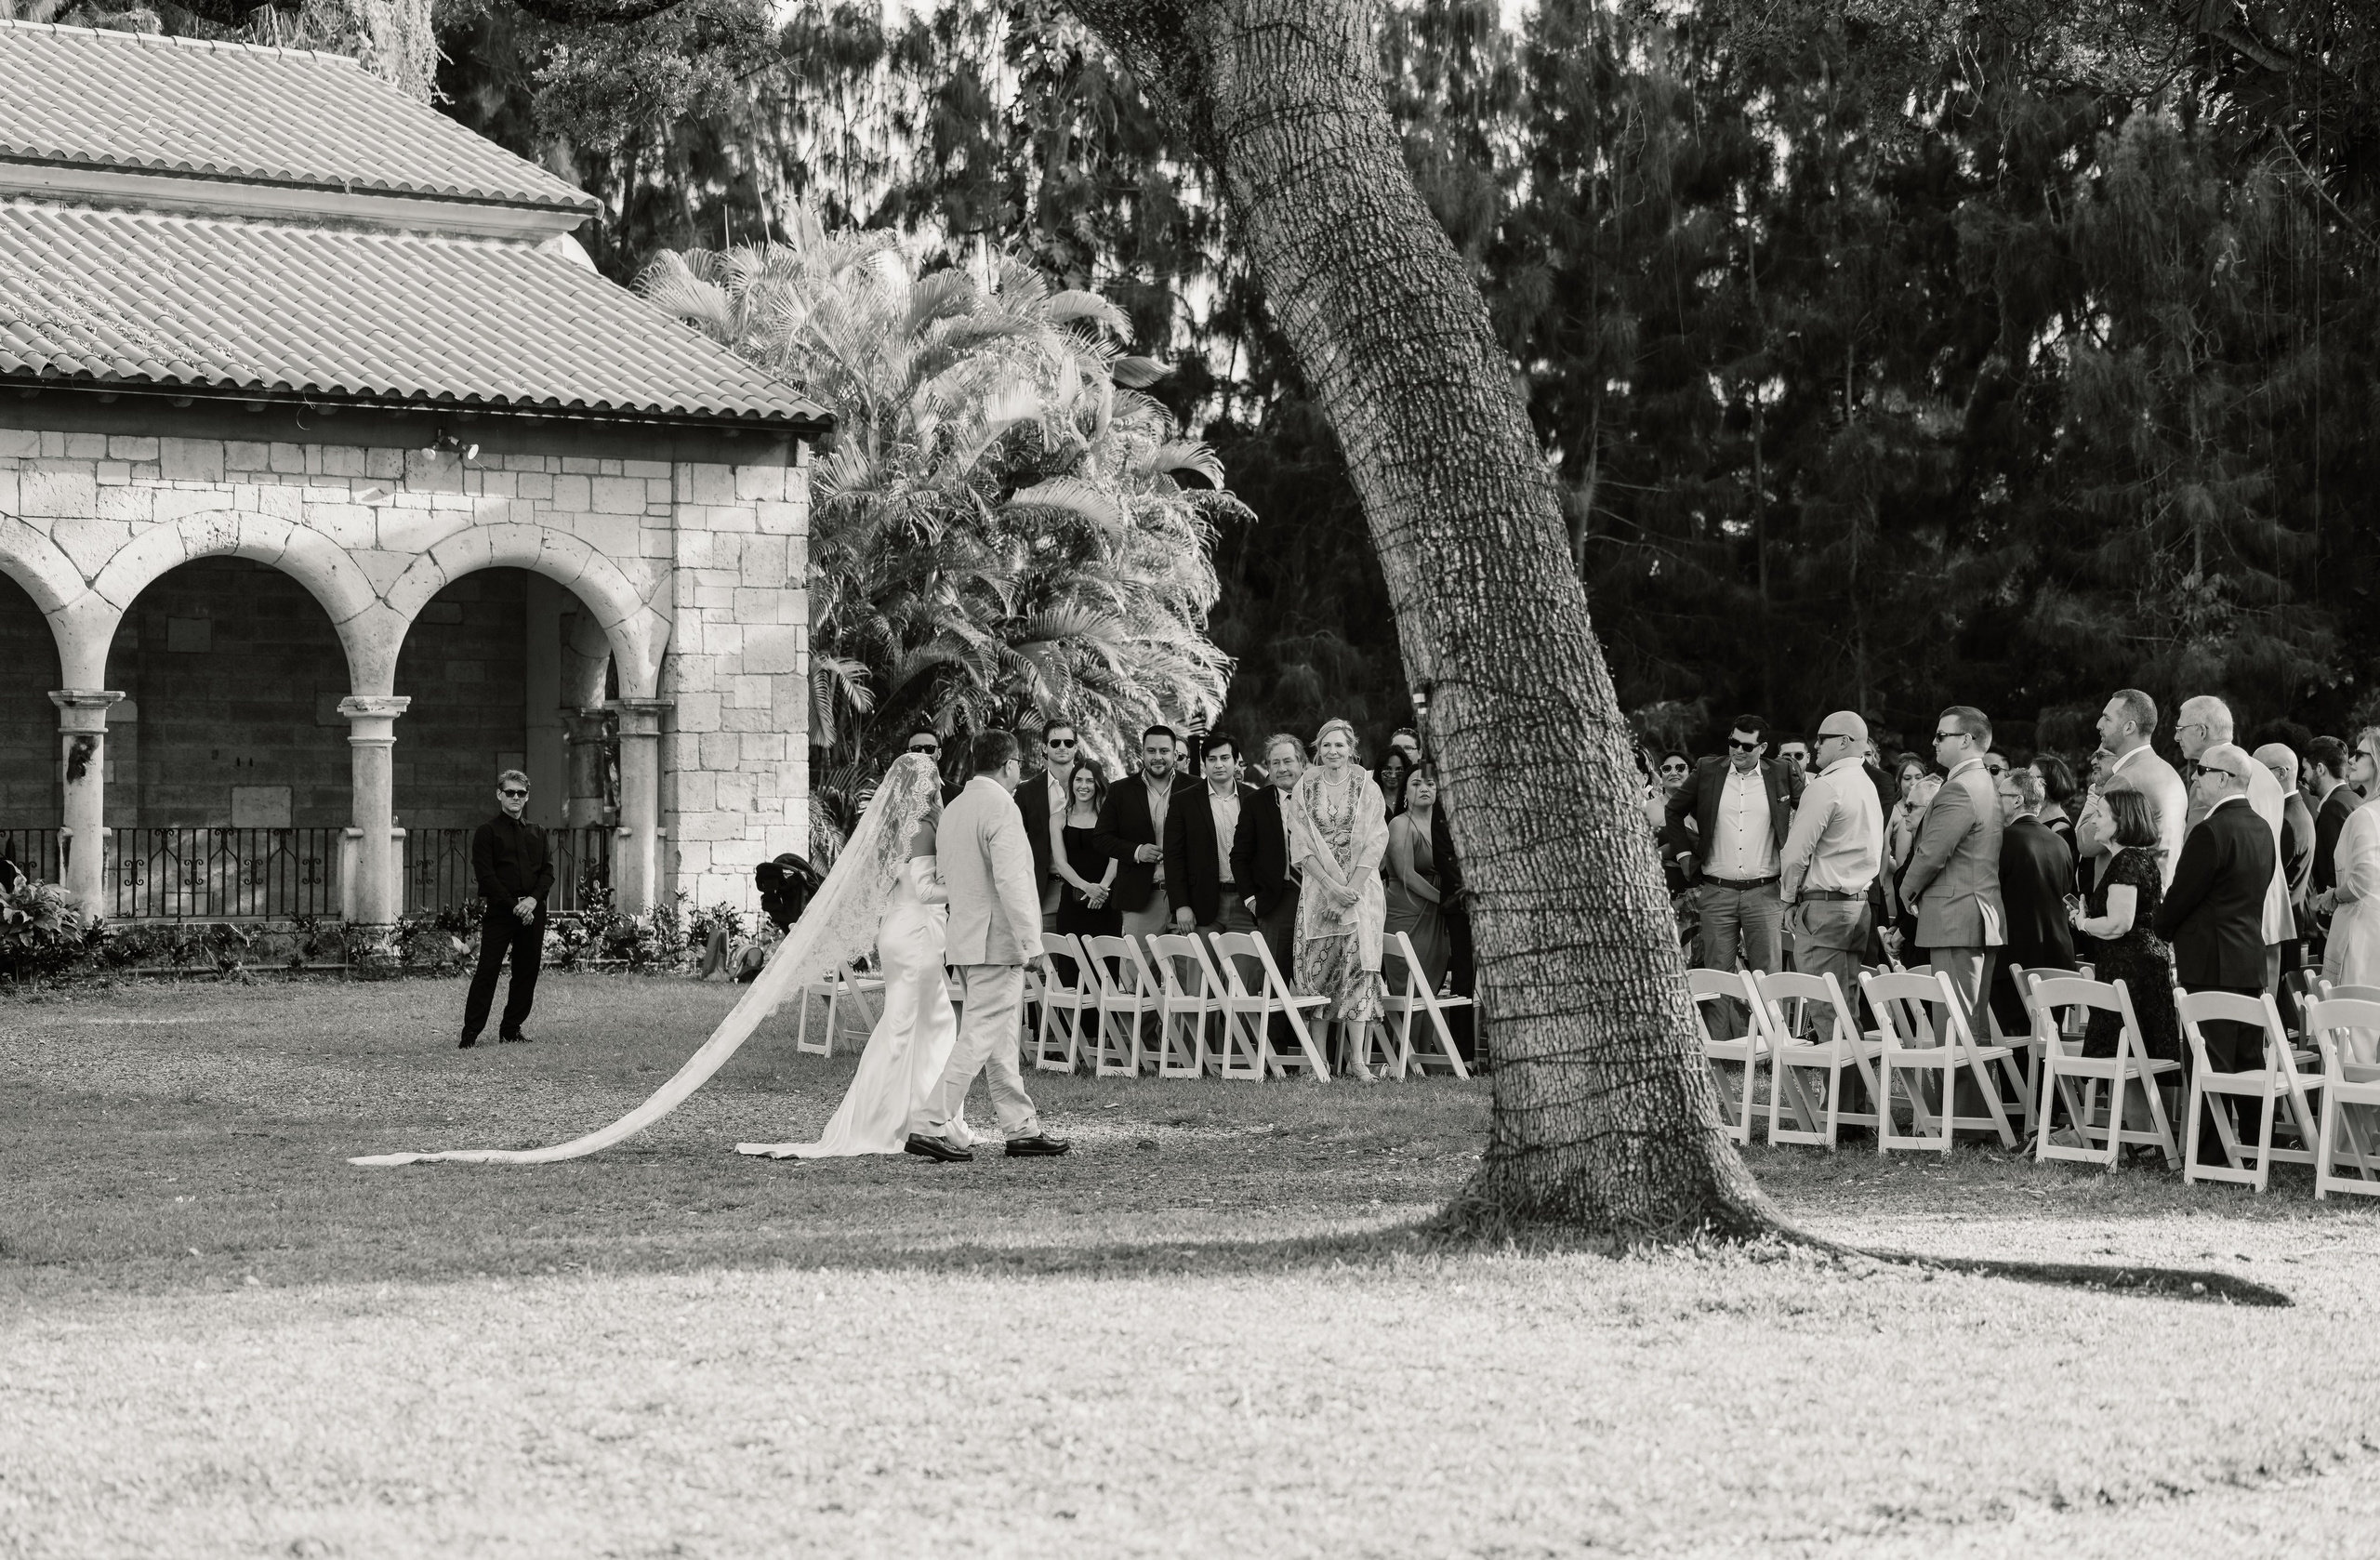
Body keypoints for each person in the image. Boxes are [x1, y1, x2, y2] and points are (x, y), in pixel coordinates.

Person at [742, 756, 962, 1159]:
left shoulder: (893, 828)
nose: (940, 785)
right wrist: (969, 889)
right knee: (909, 1027)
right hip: (917, 933)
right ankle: (892, 1121)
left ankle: (922, 1116)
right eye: (935, 778)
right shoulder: (926, 826)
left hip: (898, 929)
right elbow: (927, 891)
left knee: (925, 1023)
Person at [906, 731, 1070, 1162]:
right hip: (997, 940)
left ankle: (1021, 1128)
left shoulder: (956, 807)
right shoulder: (1002, 806)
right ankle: (929, 1122)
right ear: (1010, 764)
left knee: (999, 1037)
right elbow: (1013, 881)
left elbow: (952, 878)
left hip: (964, 937)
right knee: (981, 1033)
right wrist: (1032, 942)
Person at [2155, 743, 2279, 1163]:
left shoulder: (2210, 831)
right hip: (2248, 962)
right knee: (2249, 1065)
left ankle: (2209, 1157)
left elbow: (2182, 896)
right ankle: (2260, 1151)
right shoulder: (2262, 828)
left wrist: (2161, 926)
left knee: (2209, 1065)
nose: (2194, 777)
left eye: (2201, 770)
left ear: (2224, 778)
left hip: (2210, 965)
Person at [1661, 714, 1803, 1023]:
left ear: (1762, 747)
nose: (1737, 749)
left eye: (1746, 745)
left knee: (1768, 976)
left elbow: (1807, 812)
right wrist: (1684, 853)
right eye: (1732, 742)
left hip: (1765, 891)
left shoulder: (1781, 772)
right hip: (1717, 888)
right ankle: (1721, 1057)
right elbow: (1673, 809)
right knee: (1717, 977)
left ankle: (1769, 1052)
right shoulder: (1708, 769)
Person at [1285, 718, 1389, 1076]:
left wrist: (1351, 891)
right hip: (1318, 892)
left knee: (1357, 970)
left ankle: (1357, 1060)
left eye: (1340, 745)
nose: (1333, 751)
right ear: (1318, 748)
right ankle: (1319, 1062)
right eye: (1327, 745)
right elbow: (1299, 843)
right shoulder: (1305, 786)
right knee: (1319, 971)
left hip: (1360, 893)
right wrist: (1331, 889)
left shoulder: (1368, 786)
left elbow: (1377, 838)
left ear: (1352, 749)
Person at [2175, 696, 2294, 994]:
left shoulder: (2211, 779)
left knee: (2219, 1023)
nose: (2176, 736)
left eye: (2180, 728)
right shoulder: (2263, 771)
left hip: (2227, 921)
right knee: (2263, 1022)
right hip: (2272, 904)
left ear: (2201, 731)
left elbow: (2195, 852)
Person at [1778, 712, 1883, 1039]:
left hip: (1825, 907)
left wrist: (1787, 899)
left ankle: (1840, 1092)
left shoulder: (1827, 786)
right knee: (1846, 1008)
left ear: (1844, 741)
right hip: (1858, 905)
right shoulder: (1867, 784)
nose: (1815, 744)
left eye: (1822, 738)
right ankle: (1851, 1092)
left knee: (1827, 1012)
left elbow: (1795, 853)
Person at [1899, 706, 2004, 1028]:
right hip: (1973, 913)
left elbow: (1932, 853)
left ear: (1967, 740)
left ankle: (1958, 1082)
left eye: (1942, 735)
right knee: (1971, 1029)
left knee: (1956, 1032)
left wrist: (1907, 891)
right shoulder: (1983, 782)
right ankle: (1968, 1082)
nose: (1934, 742)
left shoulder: (1960, 787)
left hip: (1956, 917)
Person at [2067, 786, 2179, 1062]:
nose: (2093, 820)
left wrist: (2083, 923)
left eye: (2100, 815)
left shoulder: (2127, 861)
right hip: (2136, 966)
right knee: (2135, 1063)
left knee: (2128, 1062)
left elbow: (2119, 924)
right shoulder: (2138, 858)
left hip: (2131, 971)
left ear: (2122, 822)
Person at [459, 769, 553, 1050]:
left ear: (527, 796)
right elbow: (487, 876)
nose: (515, 797)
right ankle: (470, 1034)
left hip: (533, 911)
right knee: (487, 970)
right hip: (502, 911)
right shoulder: (486, 833)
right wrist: (515, 906)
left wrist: (532, 902)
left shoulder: (539, 832)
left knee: (527, 972)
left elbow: (547, 873)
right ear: (499, 794)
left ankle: (511, 1029)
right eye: (509, 792)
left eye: (520, 793)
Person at [1988, 767, 2077, 1041]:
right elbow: (2069, 897)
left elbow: (1991, 893)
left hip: (2016, 957)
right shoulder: (2059, 842)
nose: (1994, 800)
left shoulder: (2004, 840)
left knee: (2015, 1049)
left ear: (2017, 800)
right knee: (2050, 1044)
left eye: (1999, 794)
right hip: (2058, 958)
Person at [1093, 724, 1199, 953]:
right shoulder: (1120, 790)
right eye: (1151, 751)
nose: (1157, 757)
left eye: (1164, 751)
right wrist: (1136, 851)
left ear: (1175, 754)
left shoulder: (1195, 787)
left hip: (1187, 899)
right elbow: (1101, 838)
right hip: (1141, 898)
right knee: (1139, 980)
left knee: (1190, 980)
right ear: (1142, 753)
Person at [1166, 732, 1262, 941]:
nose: (1218, 764)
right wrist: (1181, 905)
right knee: (1201, 974)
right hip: (1202, 905)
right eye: (1212, 759)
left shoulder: (1254, 800)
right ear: (1204, 763)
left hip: (1246, 903)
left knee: (1244, 973)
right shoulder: (1183, 802)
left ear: (1236, 762)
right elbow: (1174, 857)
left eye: (1225, 758)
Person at [1233, 734, 1304, 993]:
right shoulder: (1256, 803)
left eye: (1288, 761)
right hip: (1277, 902)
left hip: (1319, 897)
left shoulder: (1321, 799)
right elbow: (1239, 855)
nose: (1282, 768)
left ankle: (1313, 1035)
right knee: (1273, 983)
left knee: (1319, 978)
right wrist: (1251, 899)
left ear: (1302, 764)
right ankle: (1273, 1035)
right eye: (1275, 763)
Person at [2098, 688, 2188, 885]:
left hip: (2127, 899)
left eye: (2107, 719)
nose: (2099, 725)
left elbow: (2087, 844)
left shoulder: (2124, 780)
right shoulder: (2171, 774)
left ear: (2129, 727)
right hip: (2162, 890)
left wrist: (2092, 797)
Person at [2316, 728, 2380, 992]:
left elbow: (2364, 881)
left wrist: (2333, 895)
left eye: (2360, 754)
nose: (2350, 760)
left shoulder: (2366, 815)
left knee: (2353, 1024)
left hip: (2363, 932)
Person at [1382, 762, 1453, 998]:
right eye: (1416, 783)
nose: (1424, 788)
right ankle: (1404, 1037)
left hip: (1438, 917)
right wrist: (1445, 900)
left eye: (1430, 783)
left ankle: (1425, 1037)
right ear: (1405, 791)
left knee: (1432, 990)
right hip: (1408, 915)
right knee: (1411, 990)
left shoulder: (1446, 826)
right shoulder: (1400, 824)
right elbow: (1407, 875)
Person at [2257, 742, 2316, 1006]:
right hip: (2289, 924)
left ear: (2280, 773)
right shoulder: (2295, 811)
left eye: (2259, 770)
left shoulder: (2286, 821)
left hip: (2279, 930)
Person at [1018, 721, 1085, 932]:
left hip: (1087, 887)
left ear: (1076, 747)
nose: (1062, 747)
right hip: (1045, 888)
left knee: (1086, 958)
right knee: (1045, 959)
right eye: (1055, 742)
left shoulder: (1097, 786)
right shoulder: (1027, 791)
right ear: (1044, 748)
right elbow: (1016, 841)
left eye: (1068, 742)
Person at [1051, 763, 1119, 945]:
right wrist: (1087, 888)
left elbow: (1116, 856)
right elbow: (1061, 863)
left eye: (1090, 781)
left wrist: (1101, 889)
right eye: (1079, 780)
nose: (1083, 786)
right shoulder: (1058, 819)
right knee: (1070, 966)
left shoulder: (1111, 818)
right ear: (1072, 783)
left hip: (1107, 899)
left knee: (1106, 968)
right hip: (1071, 902)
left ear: (1098, 784)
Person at [2307, 734, 2355, 961]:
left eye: (2306, 769)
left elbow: (2337, 869)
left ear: (2319, 769)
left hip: (2335, 922)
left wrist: (2324, 921)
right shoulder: (2352, 799)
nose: (2304, 777)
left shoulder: (2333, 806)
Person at [2030, 753, 2082, 860]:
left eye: (2032, 779)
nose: (2025, 784)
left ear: (2049, 783)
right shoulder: (2036, 819)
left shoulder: (2060, 828)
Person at [1377, 749, 1413, 819]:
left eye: (1398, 770)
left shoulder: (1413, 800)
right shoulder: (1371, 800)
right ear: (1379, 770)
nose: (1393, 775)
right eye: (1388, 769)